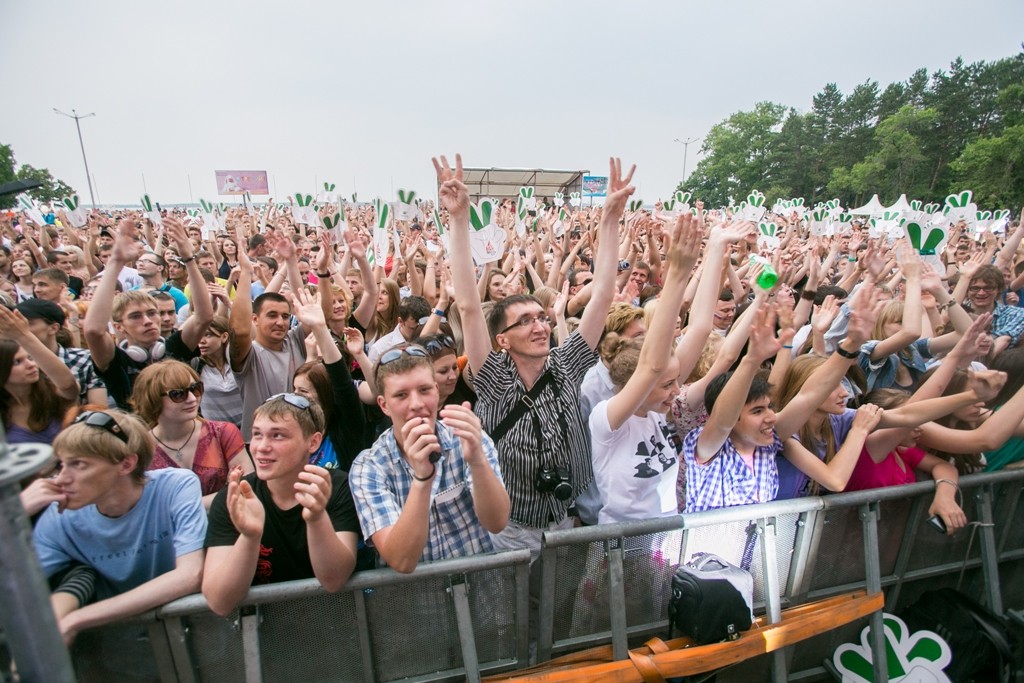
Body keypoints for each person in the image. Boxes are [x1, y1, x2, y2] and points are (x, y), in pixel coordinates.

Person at [442, 153, 625, 557]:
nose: (541, 326)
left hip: (565, 518)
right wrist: (458, 220)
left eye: (542, 318)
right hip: (511, 527)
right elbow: (470, 307)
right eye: (525, 321)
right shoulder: (493, 378)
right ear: (502, 340)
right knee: (512, 617)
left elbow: (604, 295)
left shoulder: (566, 364)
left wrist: (609, 221)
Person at [31, 410, 206, 643]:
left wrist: (77, 619)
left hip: (198, 639)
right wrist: (15, 513)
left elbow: (190, 575)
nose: (61, 479)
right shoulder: (59, 516)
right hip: (123, 655)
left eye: (78, 465)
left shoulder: (176, 485)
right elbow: (15, 589)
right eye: (61, 465)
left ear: (126, 464)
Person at [349, 345, 509, 571]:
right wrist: (422, 479)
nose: (416, 404)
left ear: (436, 391)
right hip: (416, 601)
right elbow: (401, 561)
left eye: (424, 390)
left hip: (481, 593)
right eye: (401, 395)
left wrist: (477, 461)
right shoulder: (369, 467)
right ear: (384, 405)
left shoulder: (466, 437)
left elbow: (497, 522)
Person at [201, 394, 360, 616]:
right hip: (265, 633)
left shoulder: (336, 486)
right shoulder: (236, 497)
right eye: (257, 435)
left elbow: (334, 580)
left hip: (336, 623)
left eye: (277, 436)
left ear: (313, 442)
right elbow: (219, 601)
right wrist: (249, 536)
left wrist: (316, 517)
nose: (261, 447)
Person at [83, 218, 214, 409]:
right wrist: (116, 262)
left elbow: (204, 317)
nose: (148, 321)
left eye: (153, 313)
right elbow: (93, 331)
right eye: (136, 316)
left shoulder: (173, 348)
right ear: (119, 326)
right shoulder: (115, 360)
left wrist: (189, 259)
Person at [131, 360, 251, 508]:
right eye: (178, 394)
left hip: (224, 526)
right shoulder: (140, 449)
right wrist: (224, 493)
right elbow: (143, 506)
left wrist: (177, 505)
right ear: (152, 398)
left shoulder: (223, 433)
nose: (192, 399)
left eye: (195, 389)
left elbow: (247, 488)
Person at [229, 227, 309, 440]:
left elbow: (307, 308)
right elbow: (239, 328)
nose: (280, 322)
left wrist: (291, 263)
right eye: (272, 315)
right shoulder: (249, 355)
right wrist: (245, 273)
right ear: (255, 319)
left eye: (285, 316)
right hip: (261, 443)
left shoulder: (294, 341)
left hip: (299, 438)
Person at [289, 289, 368, 471]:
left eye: (303, 391)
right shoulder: (296, 425)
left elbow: (341, 380)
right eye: (294, 389)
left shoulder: (346, 423)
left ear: (324, 391)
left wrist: (320, 328)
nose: (295, 396)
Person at [0, 307, 80, 444]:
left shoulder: (50, 394)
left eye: (30, 358)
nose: (31, 365)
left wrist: (23, 336)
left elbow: (69, 385)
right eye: (17, 362)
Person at [16, 299, 107, 406]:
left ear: (53, 328)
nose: (19, 329)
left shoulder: (84, 359)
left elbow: (99, 409)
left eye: (28, 323)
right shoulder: (10, 362)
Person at [367, 295, 431, 364]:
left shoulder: (432, 343)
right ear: (400, 321)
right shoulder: (379, 349)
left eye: (423, 328)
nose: (419, 333)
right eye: (413, 329)